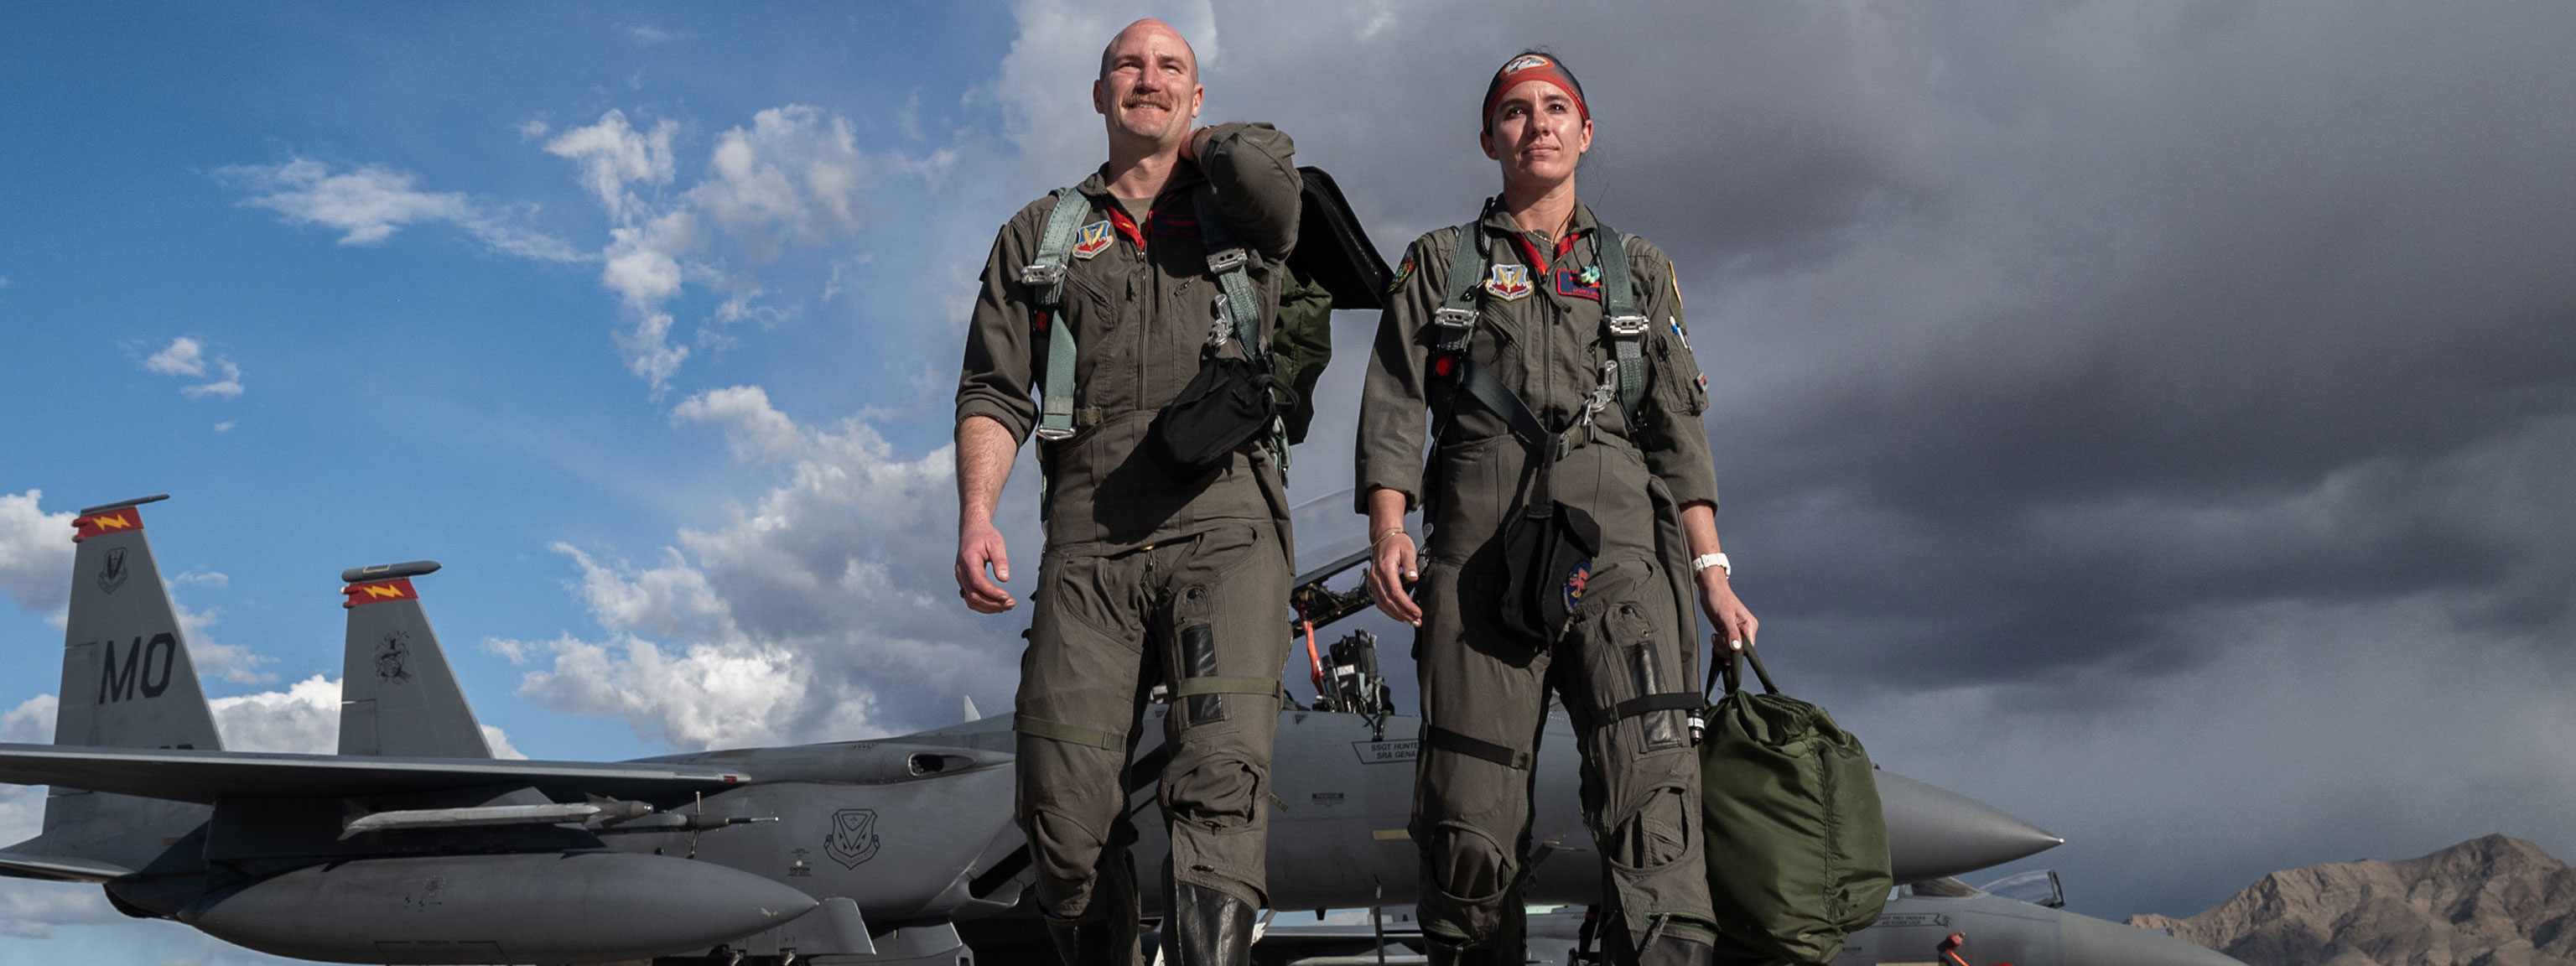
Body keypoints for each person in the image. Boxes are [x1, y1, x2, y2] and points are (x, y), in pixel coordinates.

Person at [1354, 51, 1758, 966]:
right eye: (1514, 111)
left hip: (1622, 556)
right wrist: (1388, 531)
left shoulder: (1640, 272)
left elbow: (1678, 435)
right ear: (1489, 137)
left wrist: (1713, 575)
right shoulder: (1439, 265)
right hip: (1478, 553)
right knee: (1469, 823)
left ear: (1584, 132)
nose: (1536, 124)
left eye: (1555, 108)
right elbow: (1392, 406)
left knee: (1656, 809)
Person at [951, 18, 1301, 966]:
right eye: (1127, 66)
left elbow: (1273, 174)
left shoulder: (1245, 212)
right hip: (1090, 529)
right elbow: (994, 388)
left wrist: (1196, 140)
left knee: (1220, 778)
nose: (1146, 79)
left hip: (1225, 518)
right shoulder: (1043, 233)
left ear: (1198, 98)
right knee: (1061, 815)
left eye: (1170, 68)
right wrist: (977, 513)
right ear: (1096, 92)